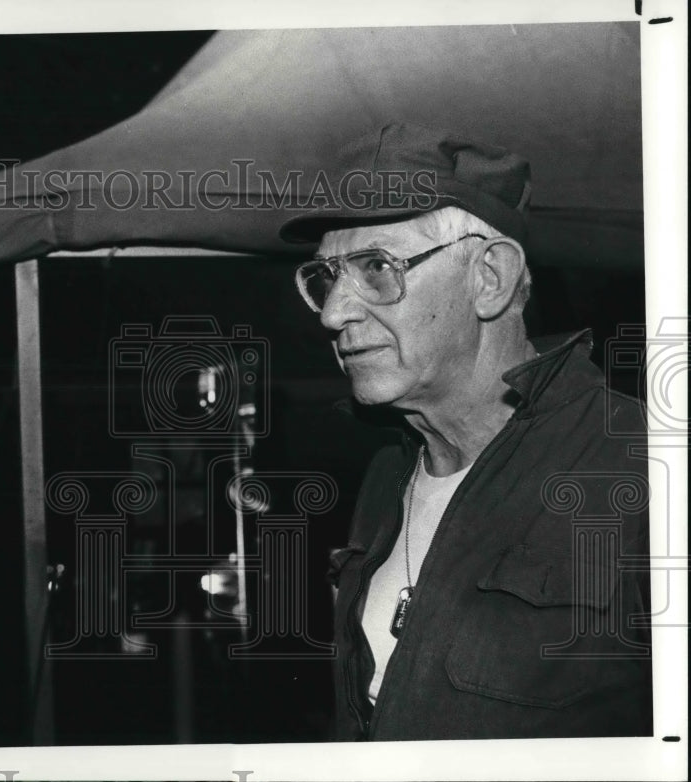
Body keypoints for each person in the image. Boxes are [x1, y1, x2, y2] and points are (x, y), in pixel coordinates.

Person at [279, 123, 653, 741]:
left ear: (490, 279)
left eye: (376, 267)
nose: (332, 312)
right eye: (325, 277)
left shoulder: (642, 466)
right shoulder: (383, 476)